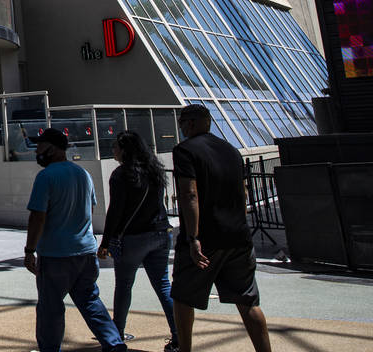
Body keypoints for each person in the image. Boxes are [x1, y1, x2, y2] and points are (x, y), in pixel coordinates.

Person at [171, 104, 270, 352]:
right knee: (248, 301)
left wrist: (193, 238)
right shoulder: (232, 151)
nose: (181, 127)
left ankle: (184, 349)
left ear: (191, 123)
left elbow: (189, 193)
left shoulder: (185, 151)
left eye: (182, 122)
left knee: (183, 297)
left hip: (205, 239)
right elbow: (244, 193)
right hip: (238, 237)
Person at [25, 128, 127, 352]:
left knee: (50, 308)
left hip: (55, 254)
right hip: (85, 252)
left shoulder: (46, 177)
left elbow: (38, 216)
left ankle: (50, 349)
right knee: (90, 301)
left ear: (53, 148)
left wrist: (29, 250)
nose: (37, 151)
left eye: (40, 146)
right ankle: (114, 343)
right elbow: (89, 209)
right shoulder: (83, 174)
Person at [99, 131, 179, 352]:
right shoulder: (154, 172)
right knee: (163, 286)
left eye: (115, 146)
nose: (113, 150)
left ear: (125, 150)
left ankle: (117, 334)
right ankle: (178, 334)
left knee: (124, 286)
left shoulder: (121, 175)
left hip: (133, 238)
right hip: (161, 234)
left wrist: (105, 241)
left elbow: (115, 211)